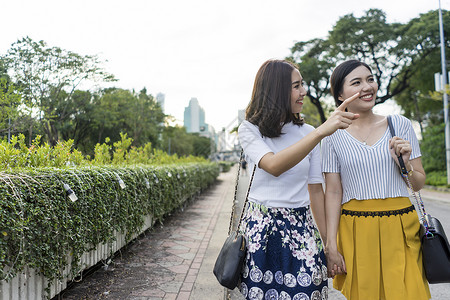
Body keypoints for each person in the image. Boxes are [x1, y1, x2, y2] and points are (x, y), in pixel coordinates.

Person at [237, 59, 359, 300]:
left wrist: (329, 245)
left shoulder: (308, 132)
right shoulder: (250, 129)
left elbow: (316, 192)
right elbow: (273, 165)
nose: (303, 91)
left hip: (302, 229)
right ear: (276, 90)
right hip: (262, 231)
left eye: (302, 84)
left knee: (309, 292)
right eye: (296, 86)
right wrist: (320, 132)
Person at [322, 59, 431, 300]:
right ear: (340, 94)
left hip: (402, 227)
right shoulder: (331, 135)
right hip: (356, 230)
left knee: (409, 293)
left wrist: (403, 163)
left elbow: (418, 183)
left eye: (370, 79)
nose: (367, 86)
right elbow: (332, 192)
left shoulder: (399, 124)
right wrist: (331, 244)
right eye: (357, 82)